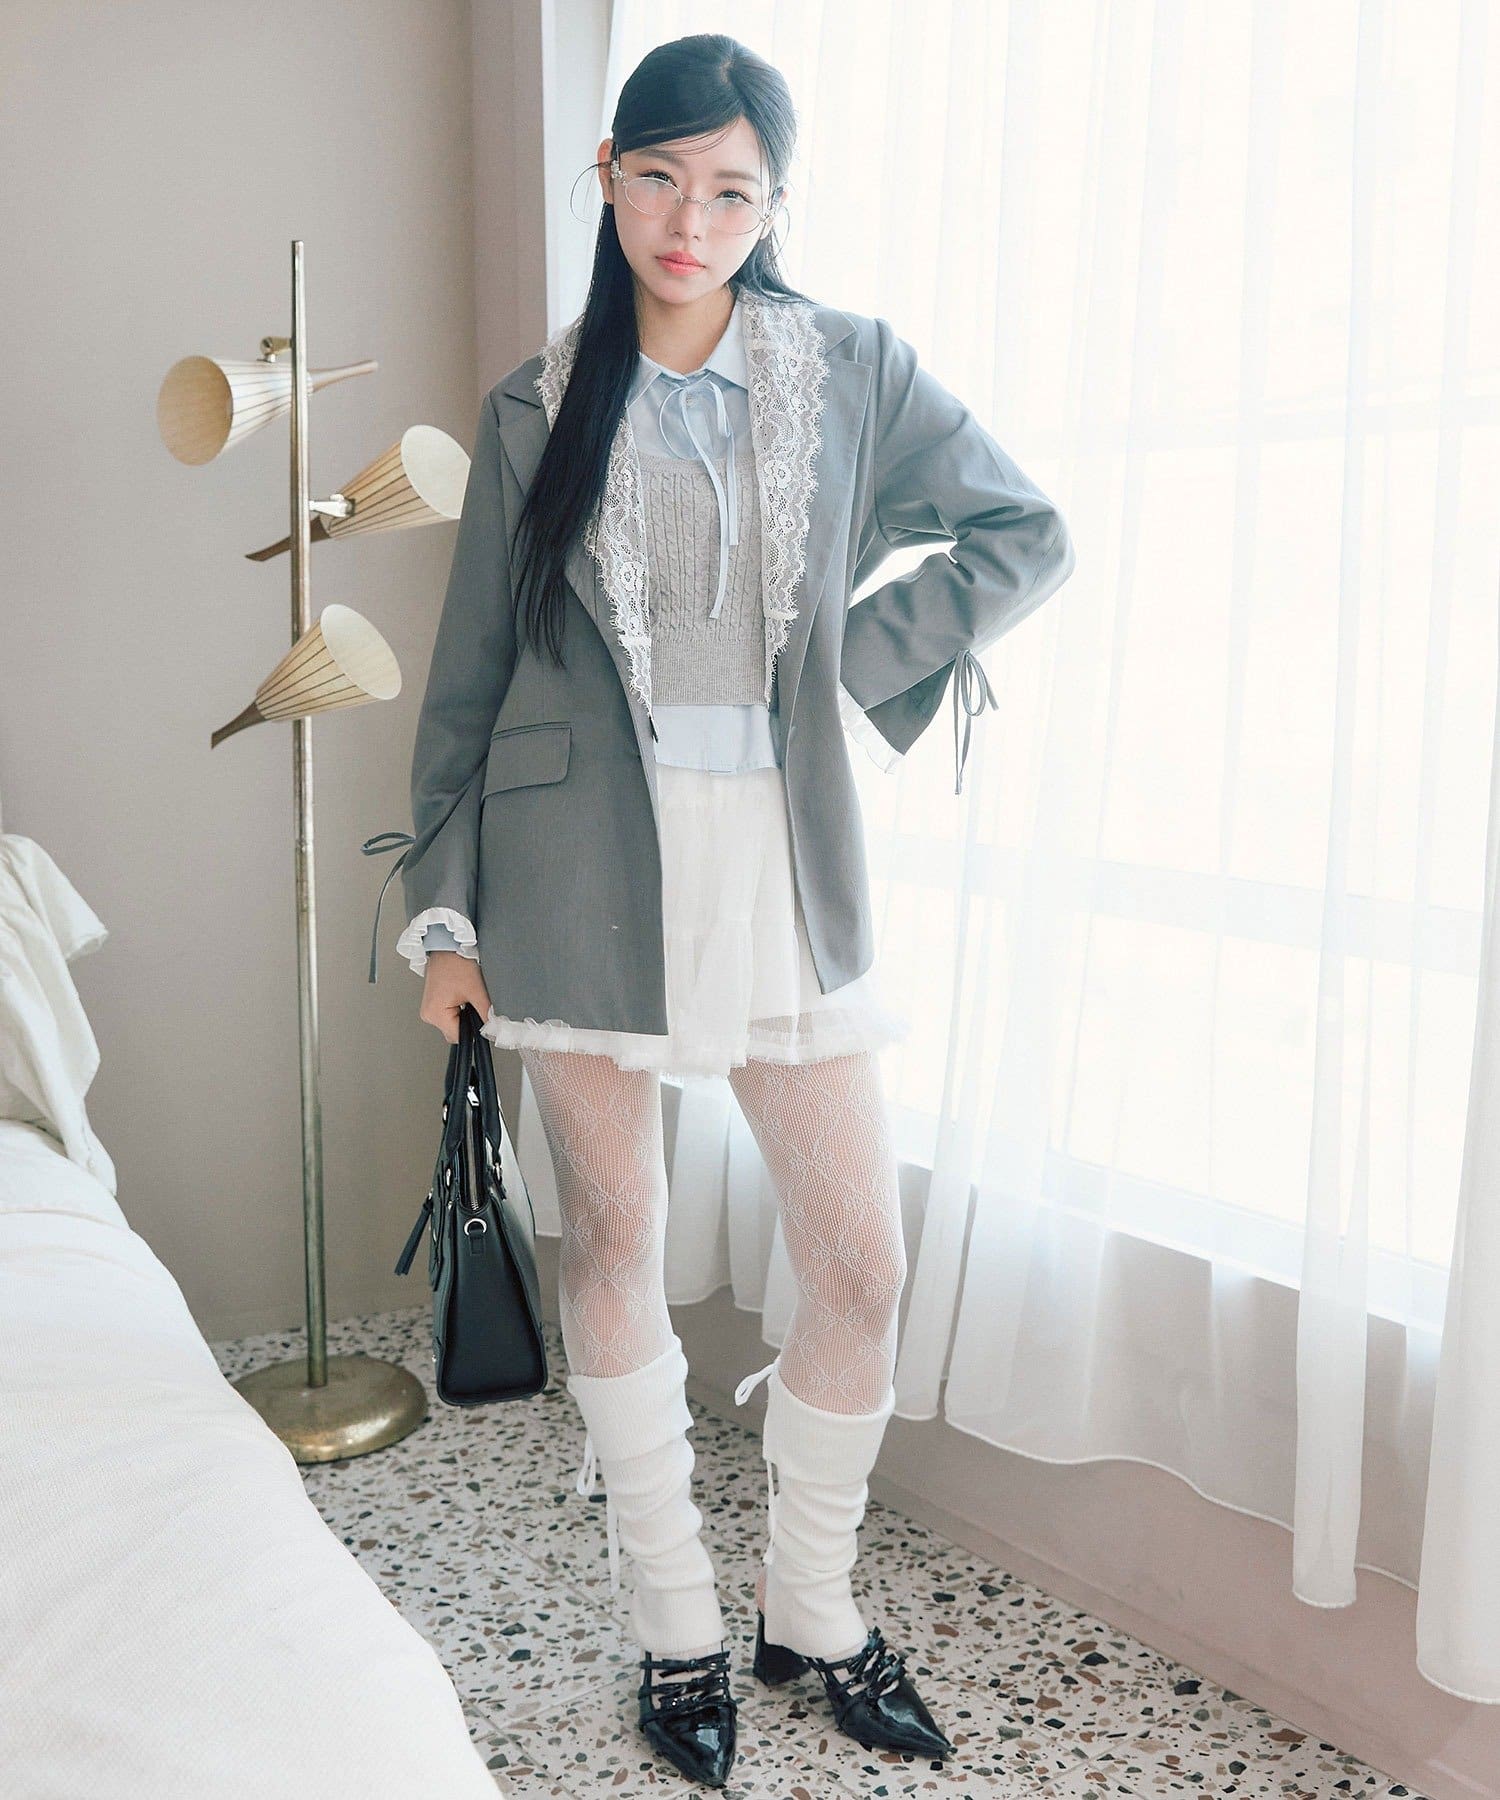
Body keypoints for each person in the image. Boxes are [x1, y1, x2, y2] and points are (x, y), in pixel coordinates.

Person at [390, 32, 1074, 1790]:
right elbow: (467, 685)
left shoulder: (849, 368)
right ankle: (676, 1621)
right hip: (571, 871)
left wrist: (850, 659)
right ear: (607, 175)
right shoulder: (536, 406)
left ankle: (814, 1610)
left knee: (858, 1262)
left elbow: (1021, 530)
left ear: (774, 204)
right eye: (658, 179)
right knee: (616, 1242)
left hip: (779, 863)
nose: (690, 221)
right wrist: (445, 920)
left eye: (730, 191)